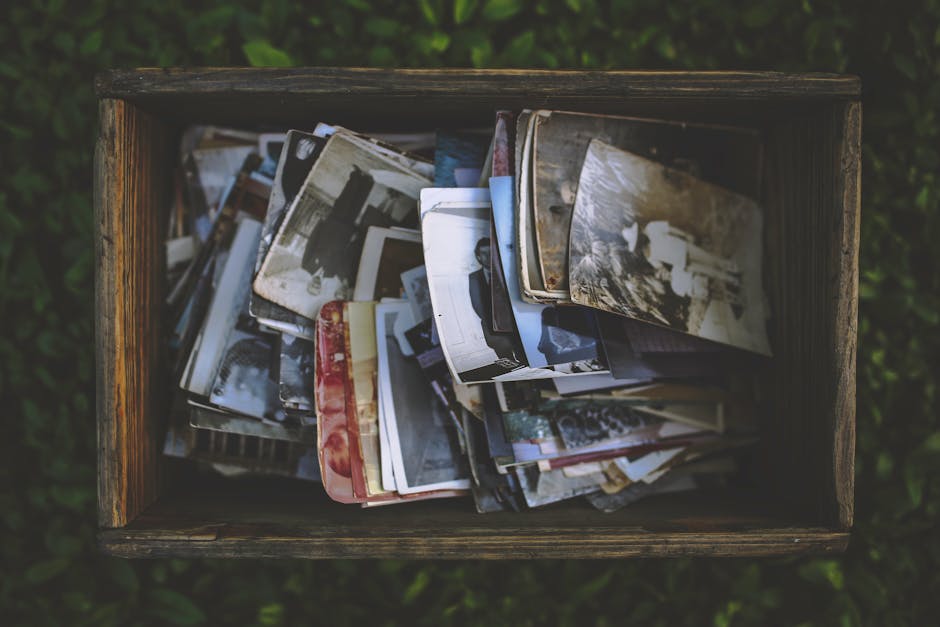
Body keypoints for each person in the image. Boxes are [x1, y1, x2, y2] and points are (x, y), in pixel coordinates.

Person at [467, 237, 517, 362]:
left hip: (514, 326)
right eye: (484, 253)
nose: (488, 256)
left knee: (524, 358)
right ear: (478, 257)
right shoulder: (474, 277)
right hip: (493, 330)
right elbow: (477, 305)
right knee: (508, 363)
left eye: (491, 253)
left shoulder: (505, 271)